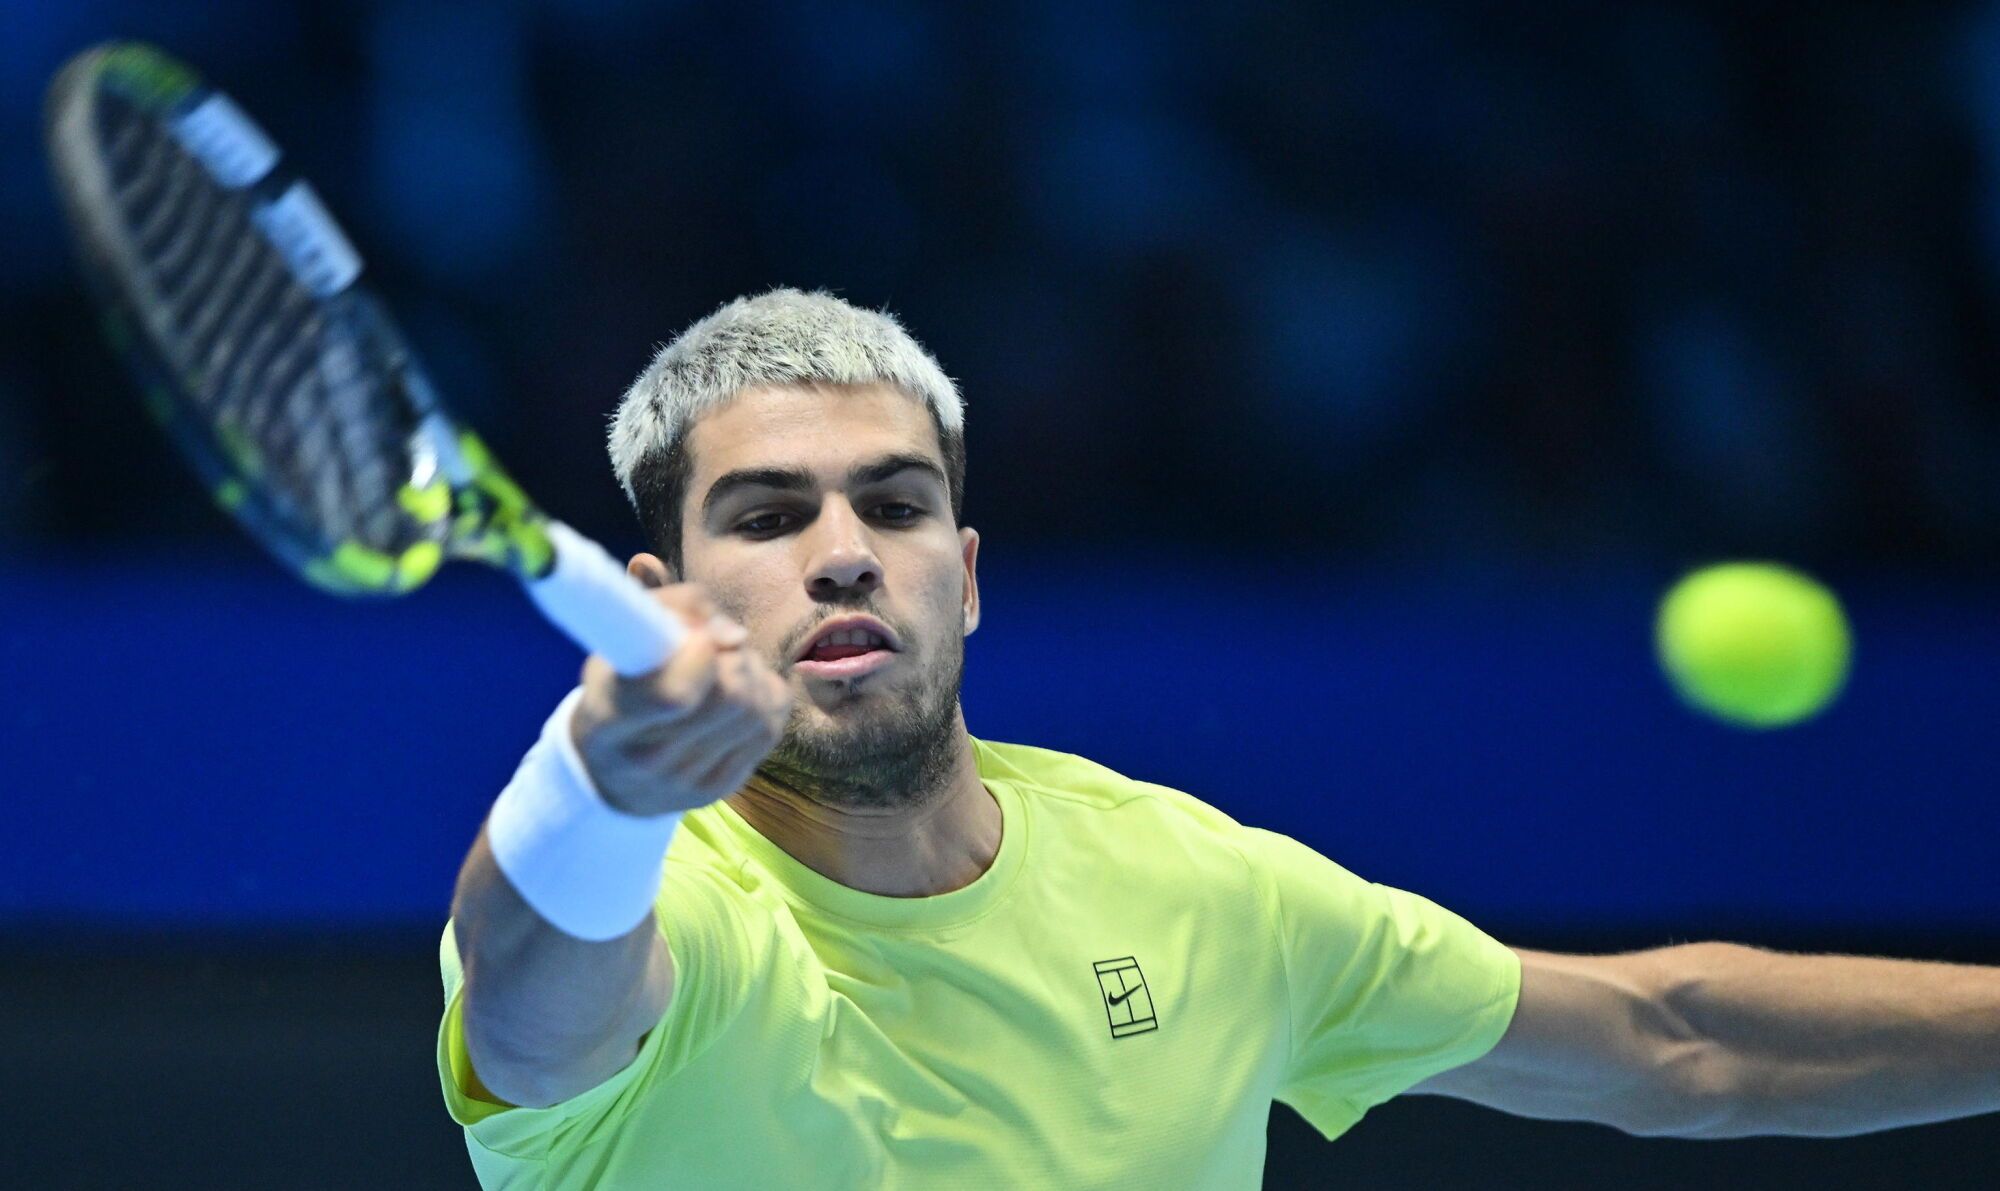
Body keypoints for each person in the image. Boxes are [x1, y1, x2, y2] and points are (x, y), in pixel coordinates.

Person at [437, 288, 1998, 1189]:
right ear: (663, 602)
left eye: (894, 505)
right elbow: (530, 1006)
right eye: (770, 518)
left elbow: (1675, 1042)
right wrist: (598, 783)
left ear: (964, 577)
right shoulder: (658, 915)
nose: (843, 554)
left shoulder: (1195, 888)